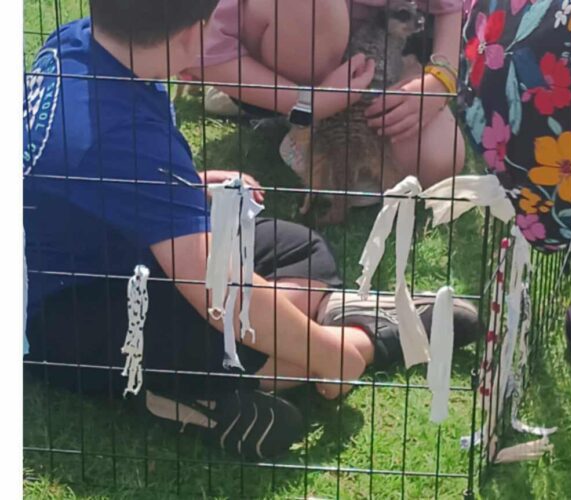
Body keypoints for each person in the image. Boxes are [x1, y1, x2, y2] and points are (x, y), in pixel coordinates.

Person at [24, 0, 480, 460]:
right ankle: (363, 339)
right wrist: (331, 356)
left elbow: (85, 175)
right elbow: (215, 287)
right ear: (189, 35)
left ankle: (282, 338)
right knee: (242, 335)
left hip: (119, 251)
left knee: (302, 251)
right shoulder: (125, 137)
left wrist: (189, 186)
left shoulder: (80, 42)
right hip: (69, 317)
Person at [187, 0, 465, 188]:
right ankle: (302, 127)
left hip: (382, 62)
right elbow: (197, 47)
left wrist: (437, 83)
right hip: (291, 61)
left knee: (437, 161)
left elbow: (448, 9)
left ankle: (335, 135)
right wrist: (311, 104)